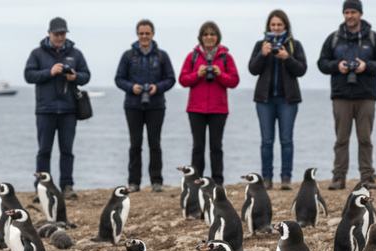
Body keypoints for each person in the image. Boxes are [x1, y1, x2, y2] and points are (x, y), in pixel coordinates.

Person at [317, 0, 376, 190]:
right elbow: (322, 63)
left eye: (353, 12)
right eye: (347, 12)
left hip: (366, 95)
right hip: (341, 95)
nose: (349, 16)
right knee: (341, 139)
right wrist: (337, 66)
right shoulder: (334, 39)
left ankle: (367, 177)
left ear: (360, 14)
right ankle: (339, 177)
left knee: (365, 139)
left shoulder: (373, 39)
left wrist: (367, 66)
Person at [24, 17, 90, 199]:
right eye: (57, 34)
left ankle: (67, 187)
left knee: (67, 151)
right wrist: (50, 72)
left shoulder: (76, 54)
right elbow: (28, 75)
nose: (60, 37)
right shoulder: (37, 54)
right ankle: (42, 188)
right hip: (45, 110)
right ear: (49, 33)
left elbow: (86, 75)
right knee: (44, 151)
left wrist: (75, 77)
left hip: (69, 110)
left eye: (63, 34)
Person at [114, 19, 176, 193]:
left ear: (153, 34)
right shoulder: (128, 56)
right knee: (135, 145)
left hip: (156, 105)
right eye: (141, 33)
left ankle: (156, 181)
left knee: (155, 144)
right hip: (133, 105)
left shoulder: (162, 56)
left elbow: (171, 79)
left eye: (147, 33)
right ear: (137, 34)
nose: (144, 36)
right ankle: (134, 182)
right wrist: (131, 87)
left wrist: (158, 87)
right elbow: (119, 79)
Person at [249, 9, 307, 190]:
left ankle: (286, 178)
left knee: (286, 141)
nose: (276, 28)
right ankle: (266, 178)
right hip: (264, 100)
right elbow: (253, 69)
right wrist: (262, 54)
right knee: (266, 141)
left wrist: (287, 58)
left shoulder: (294, 45)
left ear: (285, 26)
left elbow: (301, 70)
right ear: (268, 26)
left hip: (287, 101)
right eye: (273, 24)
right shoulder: (260, 45)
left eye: (279, 25)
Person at [178, 21, 240, 186]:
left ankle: (217, 181)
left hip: (218, 109)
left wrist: (221, 74)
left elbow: (234, 81)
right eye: (206, 34)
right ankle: (195, 180)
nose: (209, 37)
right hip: (196, 108)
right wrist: (197, 74)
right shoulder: (192, 57)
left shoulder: (226, 57)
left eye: (212, 34)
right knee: (198, 147)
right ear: (201, 37)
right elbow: (183, 80)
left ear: (218, 37)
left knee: (216, 147)